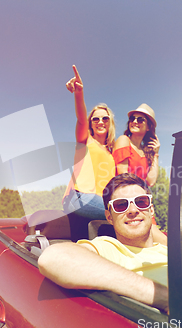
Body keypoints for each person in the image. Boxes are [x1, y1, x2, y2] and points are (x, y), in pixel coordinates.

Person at [39, 173, 182, 328]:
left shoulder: (167, 252)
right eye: (121, 205)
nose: (133, 210)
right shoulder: (109, 247)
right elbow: (53, 258)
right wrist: (163, 297)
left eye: (141, 201)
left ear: (151, 210)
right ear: (109, 216)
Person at [62, 65, 116, 220]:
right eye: (95, 118)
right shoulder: (85, 140)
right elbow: (80, 118)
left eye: (105, 118)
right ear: (91, 123)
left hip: (100, 201)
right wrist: (79, 93)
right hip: (79, 197)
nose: (100, 122)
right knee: (122, 215)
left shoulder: (111, 152)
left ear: (110, 122)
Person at [113, 103, 160, 187]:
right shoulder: (124, 140)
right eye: (132, 119)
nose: (134, 122)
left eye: (140, 120)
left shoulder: (146, 153)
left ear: (148, 127)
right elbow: (123, 177)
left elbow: (151, 182)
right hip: (125, 195)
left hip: (140, 196)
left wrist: (156, 155)